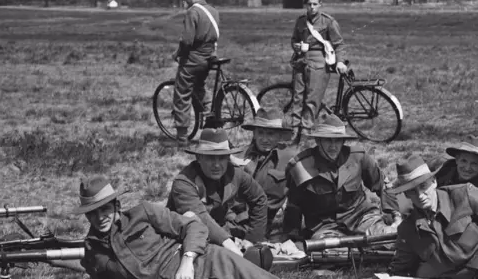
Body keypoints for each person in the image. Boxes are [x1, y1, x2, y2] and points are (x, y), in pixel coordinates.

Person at [76, 175, 381, 279]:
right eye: (93, 212)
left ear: (115, 205)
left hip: (207, 263)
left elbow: (194, 228)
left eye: (105, 208)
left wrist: (187, 260)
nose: (100, 216)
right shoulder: (93, 250)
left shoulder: (142, 213)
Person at [283, 113, 401, 241]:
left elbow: (383, 184)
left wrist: (395, 215)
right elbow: (293, 205)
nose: (333, 146)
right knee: (328, 252)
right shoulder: (302, 166)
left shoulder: (358, 157)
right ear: (318, 140)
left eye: (337, 140)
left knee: (386, 237)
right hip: (325, 227)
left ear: (343, 141)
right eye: (328, 140)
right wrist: (292, 238)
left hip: (361, 217)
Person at [167, 128, 268, 253]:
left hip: (219, 234)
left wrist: (252, 240)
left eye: (221, 158)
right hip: (185, 238)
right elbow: (200, 217)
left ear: (228, 158)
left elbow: (259, 199)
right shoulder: (184, 182)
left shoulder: (235, 174)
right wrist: (230, 245)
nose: (216, 165)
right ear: (199, 157)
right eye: (210, 158)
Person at [289, 0, 348, 134]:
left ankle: (306, 132)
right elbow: (294, 39)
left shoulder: (328, 22)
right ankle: (293, 132)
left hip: (319, 62)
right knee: (297, 99)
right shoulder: (301, 20)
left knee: (312, 100)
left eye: (315, 4)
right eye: (309, 4)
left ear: (320, 5)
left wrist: (340, 62)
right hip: (301, 61)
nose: (312, 7)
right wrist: (295, 46)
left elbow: (339, 44)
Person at [237, 108, 298, 238]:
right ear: (254, 133)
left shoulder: (289, 159)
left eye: (270, 134)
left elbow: (297, 200)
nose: (264, 139)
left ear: (280, 136)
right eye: (260, 133)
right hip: (239, 222)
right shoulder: (240, 157)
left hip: (271, 226)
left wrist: (289, 231)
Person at [172, 0, 219, 148]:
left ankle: (182, 139)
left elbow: (186, 41)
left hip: (194, 60)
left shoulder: (192, 12)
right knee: (200, 89)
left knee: (182, 94)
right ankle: (210, 125)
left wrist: (178, 54)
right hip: (209, 58)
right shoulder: (213, 11)